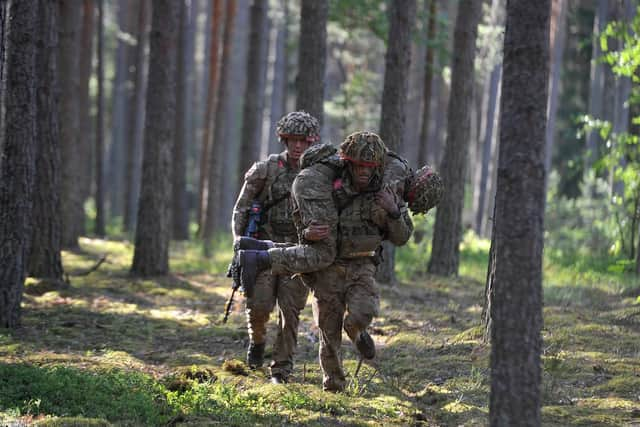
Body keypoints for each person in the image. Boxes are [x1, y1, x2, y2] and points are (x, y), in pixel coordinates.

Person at [238, 132, 443, 391]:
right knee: (328, 328)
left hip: (362, 265)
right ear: (349, 163)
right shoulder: (328, 181)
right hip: (329, 268)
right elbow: (307, 219)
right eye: (359, 167)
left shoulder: (391, 191)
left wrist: (392, 211)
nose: (363, 173)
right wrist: (305, 233)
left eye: (369, 169)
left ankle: (356, 331)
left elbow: (402, 236)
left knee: (363, 311)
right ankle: (334, 385)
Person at [231, 111, 319, 384]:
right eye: (292, 140)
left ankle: (281, 369)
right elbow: (241, 209)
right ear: (284, 140)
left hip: (299, 254)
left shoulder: (318, 175)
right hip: (264, 252)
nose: (297, 146)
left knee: (290, 314)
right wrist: (238, 243)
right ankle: (256, 343)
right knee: (259, 306)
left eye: (303, 141)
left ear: (311, 142)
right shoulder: (266, 170)